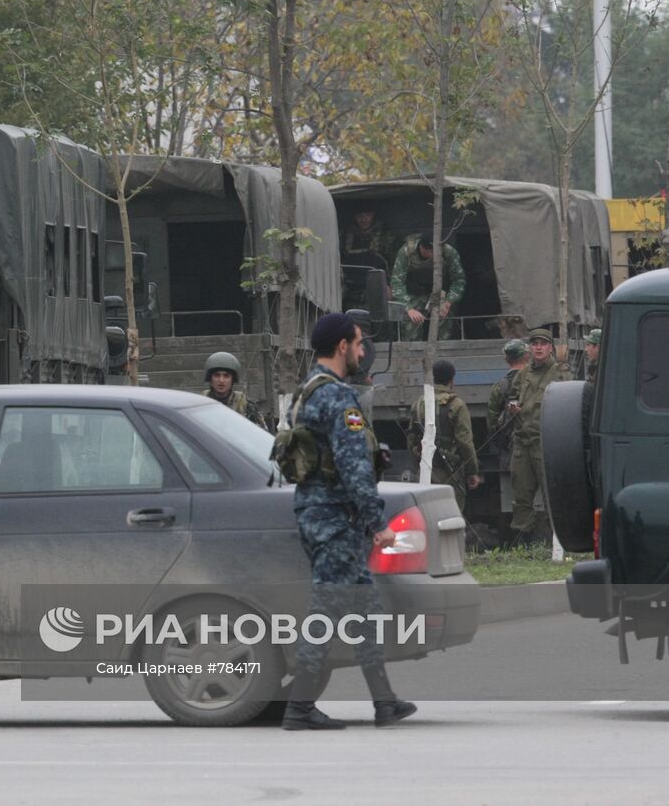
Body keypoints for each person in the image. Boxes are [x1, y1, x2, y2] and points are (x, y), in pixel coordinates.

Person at [281, 313, 416, 731]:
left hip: (322, 514)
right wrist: (378, 521)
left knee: (365, 608)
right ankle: (298, 708)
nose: (362, 352)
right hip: (334, 520)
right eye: (358, 344)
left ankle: (384, 702)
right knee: (327, 610)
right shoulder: (338, 398)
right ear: (342, 346)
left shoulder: (307, 391)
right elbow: (353, 464)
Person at [508, 328, 572, 543]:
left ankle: (557, 541)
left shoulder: (561, 373)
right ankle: (522, 542)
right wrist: (513, 406)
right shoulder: (523, 374)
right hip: (522, 443)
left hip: (546, 443)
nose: (538, 347)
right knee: (521, 495)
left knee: (552, 494)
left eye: (543, 344)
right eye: (534, 343)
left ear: (550, 347)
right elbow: (512, 396)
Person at [408, 360, 481, 512]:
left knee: (426, 514)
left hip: (425, 470)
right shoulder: (457, 405)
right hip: (450, 472)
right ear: (451, 380)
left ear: (432, 378)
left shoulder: (418, 404)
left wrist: (417, 456)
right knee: (450, 515)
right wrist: (472, 471)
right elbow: (465, 442)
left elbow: (411, 438)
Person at [391, 231, 466, 340]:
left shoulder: (448, 252)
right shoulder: (407, 252)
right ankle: (413, 354)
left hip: (439, 293)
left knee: (444, 317)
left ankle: (442, 352)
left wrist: (449, 301)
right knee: (411, 323)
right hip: (414, 293)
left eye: (437, 251)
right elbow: (396, 282)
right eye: (431, 251)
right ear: (422, 248)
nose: (435, 255)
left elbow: (459, 280)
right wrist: (408, 308)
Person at [487, 339, 528, 520]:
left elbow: (492, 421)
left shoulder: (500, 387)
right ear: (527, 357)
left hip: (509, 449)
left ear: (506, 359)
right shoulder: (532, 383)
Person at [200, 351, 262, 424]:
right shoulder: (200, 403)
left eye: (226, 376)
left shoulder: (245, 404)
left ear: (233, 379)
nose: (221, 380)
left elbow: (260, 431)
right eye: (217, 375)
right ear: (210, 378)